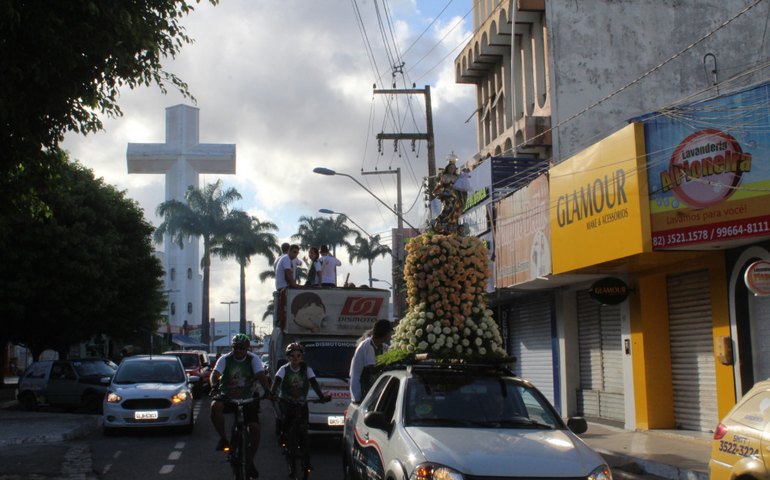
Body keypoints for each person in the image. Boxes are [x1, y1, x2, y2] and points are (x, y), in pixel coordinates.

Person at [210, 334, 273, 480]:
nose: (238, 351)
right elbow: (215, 374)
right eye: (236, 348)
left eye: (242, 348)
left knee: (255, 429)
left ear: (247, 348)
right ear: (232, 348)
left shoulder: (253, 359)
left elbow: (260, 375)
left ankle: (250, 461)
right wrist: (214, 387)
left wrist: (267, 391)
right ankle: (223, 438)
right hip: (228, 397)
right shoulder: (225, 359)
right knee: (215, 406)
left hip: (248, 398)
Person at [270, 342, 331, 475]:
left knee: (304, 430)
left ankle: (306, 460)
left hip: (301, 403)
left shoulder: (307, 370)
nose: (295, 358)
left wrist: (321, 396)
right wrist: (272, 394)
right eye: (292, 356)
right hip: (286, 401)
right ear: (288, 357)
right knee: (286, 421)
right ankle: (283, 436)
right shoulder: (284, 369)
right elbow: (276, 383)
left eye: (298, 355)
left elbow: (314, 384)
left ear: (302, 357)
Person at [349, 319, 393, 404]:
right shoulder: (368, 345)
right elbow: (372, 370)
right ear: (384, 333)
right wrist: (388, 362)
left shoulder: (382, 346)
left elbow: (390, 351)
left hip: (368, 387)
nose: (390, 335)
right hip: (361, 388)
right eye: (389, 333)